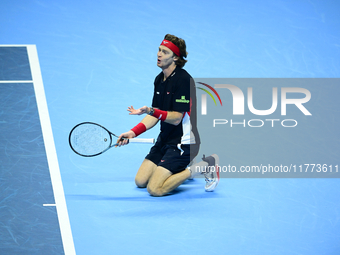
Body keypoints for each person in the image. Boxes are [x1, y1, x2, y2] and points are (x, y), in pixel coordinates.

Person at [117, 34, 219, 196]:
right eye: (159, 50)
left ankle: (204, 165)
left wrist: (152, 110)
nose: (159, 54)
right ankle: (176, 168)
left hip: (184, 143)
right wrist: (132, 133)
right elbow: (155, 115)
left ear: (175, 58)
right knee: (141, 181)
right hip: (165, 139)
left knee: (155, 189)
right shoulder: (159, 80)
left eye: (164, 52)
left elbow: (176, 118)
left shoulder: (183, 80)